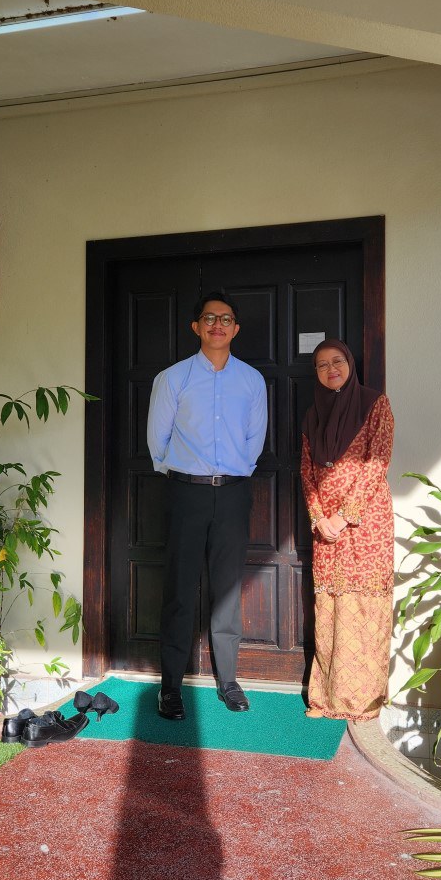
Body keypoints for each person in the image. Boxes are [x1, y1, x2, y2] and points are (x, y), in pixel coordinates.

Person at [146, 291, 268, 720]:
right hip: (186, 492)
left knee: (228, 590)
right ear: (196, 327)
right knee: (179, 590)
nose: (218, 325)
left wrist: (231, 475)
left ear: (236, 328)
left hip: (232, 493)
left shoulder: (251, 381)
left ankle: (228, 681)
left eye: (226, 319)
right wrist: (185, 474)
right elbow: (157, 440)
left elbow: (254, 440)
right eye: (210, 318)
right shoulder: (173, 378)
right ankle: (170, 687)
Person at [300, 338, 395, 721]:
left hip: (365, 524)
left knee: (362, 608)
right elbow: (306, 470)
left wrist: (344, 515)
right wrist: (318, 517)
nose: (331, 369)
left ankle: (360, 703)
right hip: (326, 530)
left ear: (350, 363)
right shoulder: (313, 415)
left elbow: (377, 462)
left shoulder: (375, 404)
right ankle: (325, 699)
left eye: (337, 361)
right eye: (322, 365)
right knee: (330, 608)